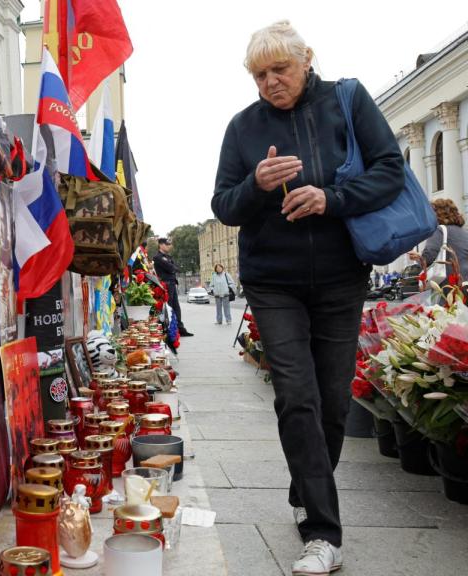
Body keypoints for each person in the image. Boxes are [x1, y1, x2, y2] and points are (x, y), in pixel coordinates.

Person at [211, 20, 404, 576]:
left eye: (281, 70)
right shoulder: (243, 127)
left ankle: (306, 486)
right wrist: (258, 185)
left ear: (307, 60)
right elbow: (224, 204)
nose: (271, 82)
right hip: (273, 280)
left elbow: (391, 171)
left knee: (334, 402)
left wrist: (331, 198)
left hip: (343, 274)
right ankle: (322, 532)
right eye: (259, 75)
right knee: (296, 397)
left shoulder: (348, 100)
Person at [409, 199, 468, 286]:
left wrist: (418, 257)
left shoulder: (440, 230)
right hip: (464, 284)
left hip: (447, 287)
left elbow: (428, 258)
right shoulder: (464, 233)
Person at [152, 237, 194, 337]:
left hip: (171, 283)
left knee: (176, 307)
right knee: (169, 307)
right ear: (161, 245)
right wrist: (173, 268)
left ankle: (180, 329)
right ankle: (169, 330)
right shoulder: (158, 257)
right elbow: (171, 268)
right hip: (166, 284)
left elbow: (175, 268)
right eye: (167, 244)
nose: (169, 246)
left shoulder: (168, 257)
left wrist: (173, 268)